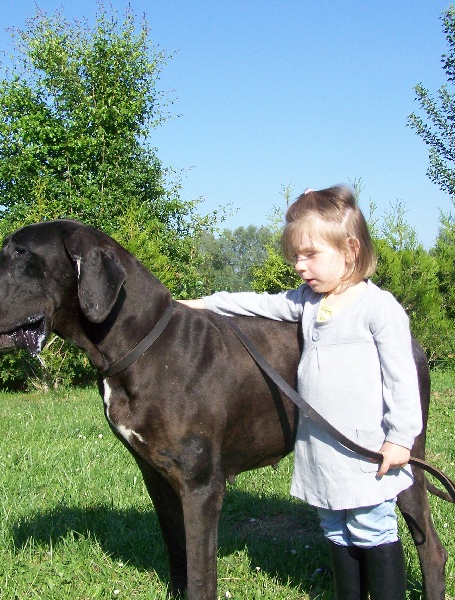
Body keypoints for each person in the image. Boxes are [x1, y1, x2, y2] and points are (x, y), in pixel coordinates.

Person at [179, 185, 422, 600]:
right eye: (295, 256)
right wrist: (207, 303)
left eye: (310, 255)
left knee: (372, 526)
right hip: (322, 451)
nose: (298, 266)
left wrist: (400, 438)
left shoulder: (379, 308)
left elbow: (403, 379)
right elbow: (259, 304)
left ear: (349, 248)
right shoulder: (309, 302)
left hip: (367, 453)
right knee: (336, 528)